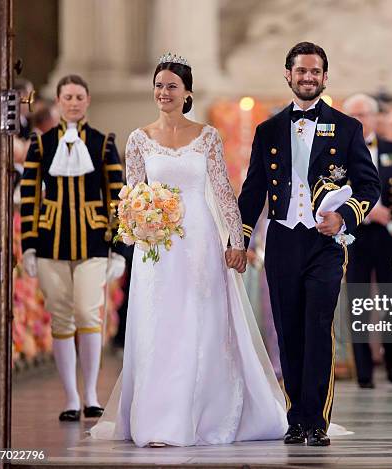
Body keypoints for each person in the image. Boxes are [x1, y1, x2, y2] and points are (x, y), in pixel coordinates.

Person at [90, 53, 288, 448]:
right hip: (157, 248)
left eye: (171, 87)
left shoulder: (208, 136)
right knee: (159, 324)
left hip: (199, 240)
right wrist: (136, 225)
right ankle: (159, 419)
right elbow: (130, 195)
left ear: (187, 94)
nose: (163, 93)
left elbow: (223, 191)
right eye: (159, 86)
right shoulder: (138, 138)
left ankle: (206, 413)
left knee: (201, 322)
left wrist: (237, 240)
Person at [238, 42, 380, 446]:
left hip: (326, 243)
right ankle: (295, 417)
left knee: (318, 327)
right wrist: (242, 239)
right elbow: (253, 191)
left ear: (324, 76)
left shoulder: (347, 127)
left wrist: (344, 216)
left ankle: (316, 420)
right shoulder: (267, 130)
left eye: (315, 71)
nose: (307, 77)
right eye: (301, 71)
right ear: (288, 74)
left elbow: (371, 185)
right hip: (282, 241)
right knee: (288, 331)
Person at [20, 74, 127, 421]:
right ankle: (70, 397)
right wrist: (30, 246)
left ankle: (92, 393)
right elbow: (31, 197)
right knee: (61, 318)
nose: (74, 102)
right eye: (67, 97)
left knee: (87, 312)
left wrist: (115, 245)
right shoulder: (41, 144)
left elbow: (116, 197)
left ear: (88, 100)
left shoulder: (102, 142)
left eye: (79, 96)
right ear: (59, 101)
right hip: (50, 241)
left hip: (94, 240)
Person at [342, 93, 392, 388]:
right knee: (358, 303)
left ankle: (391, 358)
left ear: (376, 118)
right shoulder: (338, 151)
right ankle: (363, 371)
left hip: (389, 239)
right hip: (353, 237)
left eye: (364, 114)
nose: (360, 120)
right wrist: (366, 211)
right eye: (354, 115)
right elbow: (330, 192)